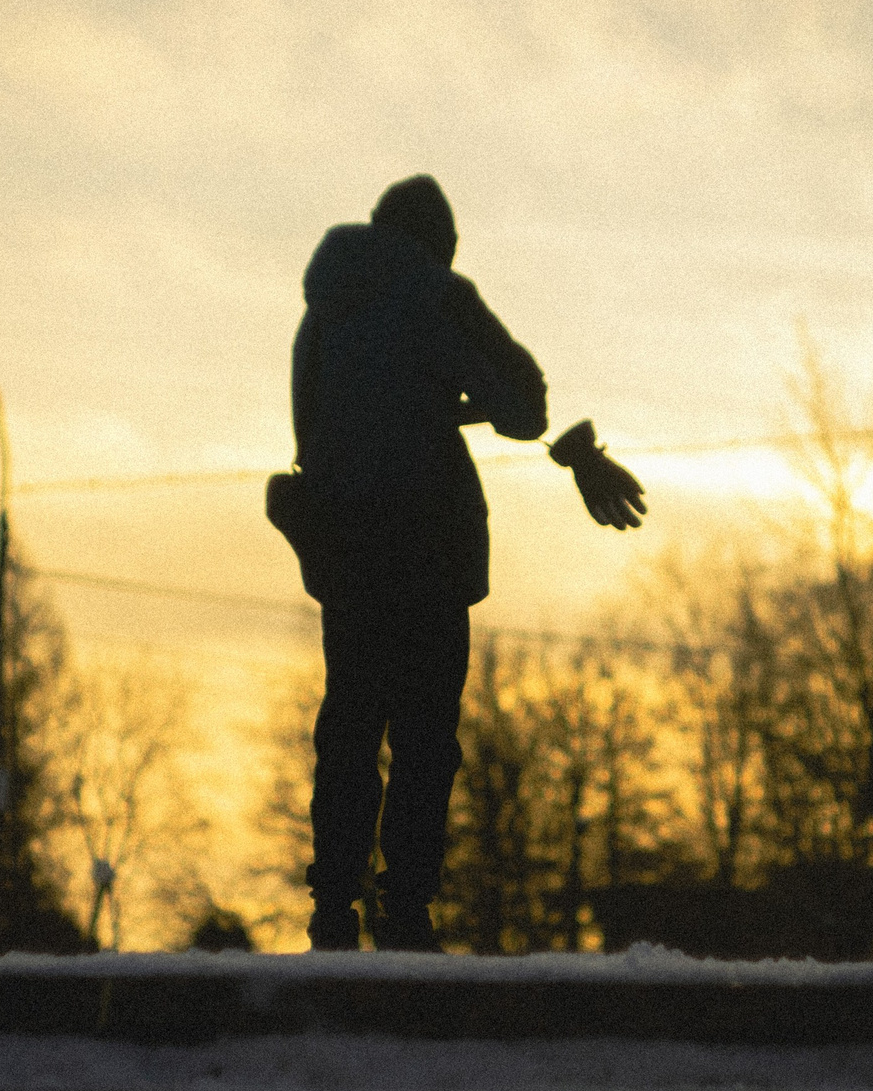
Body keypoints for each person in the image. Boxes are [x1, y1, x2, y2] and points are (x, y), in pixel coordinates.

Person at [275, 175, 646, 951]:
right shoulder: (438, 293)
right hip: (425, 545)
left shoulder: (323, 312)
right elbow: (524, 405)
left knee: (349, 725)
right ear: (438, 244)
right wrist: (552, 441)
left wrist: (422, 400)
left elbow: (320, 429)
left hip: (344, 546)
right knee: (423, 737)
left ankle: (332, 910)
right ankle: (406, 913)